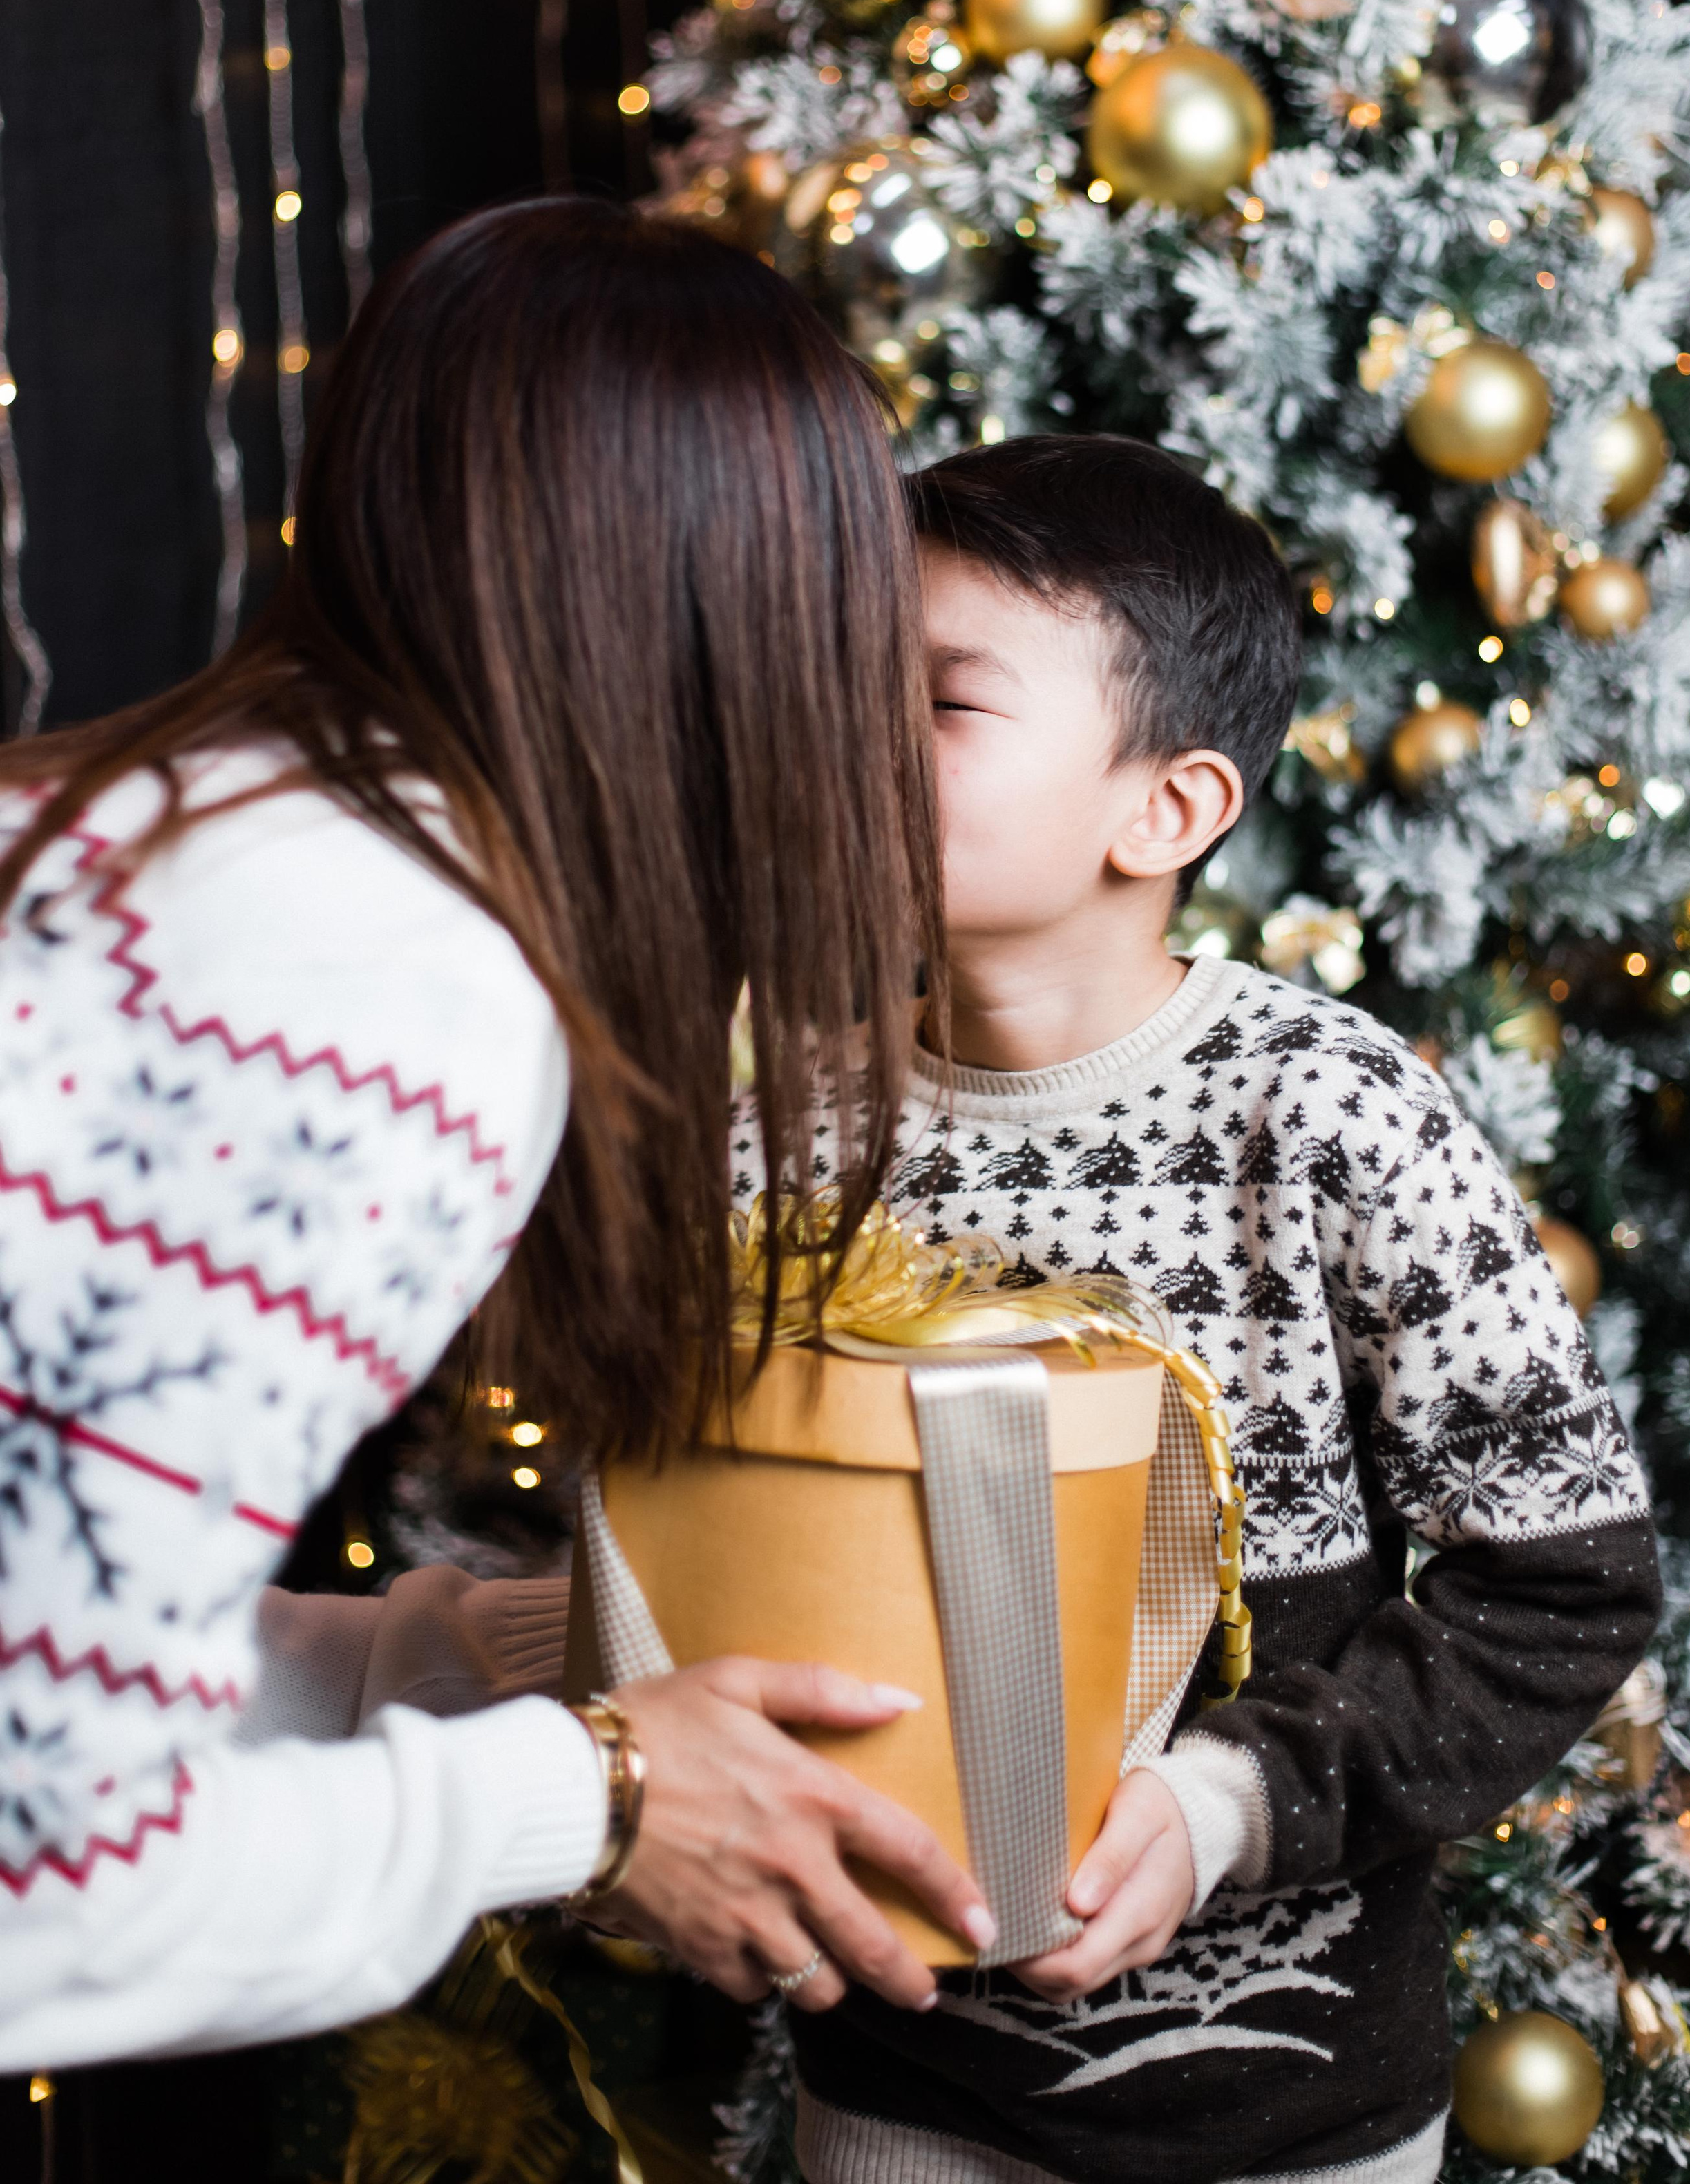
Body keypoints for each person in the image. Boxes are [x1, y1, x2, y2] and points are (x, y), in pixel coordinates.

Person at [0, 200, 994, 2076]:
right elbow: (53, 1883)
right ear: (763, 623)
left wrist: (504, 1667)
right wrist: (591, 1796)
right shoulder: (376, 999)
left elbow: (40, 1640)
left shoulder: (192, 828)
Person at [725, 434, 1662, 2184]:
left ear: (1164, 809)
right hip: (889, 2114)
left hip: (1293, 2125)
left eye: (932, 701)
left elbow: (1556, 1586)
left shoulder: (1330, 1118)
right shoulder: (780, 1134)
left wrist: (1215, 1806)